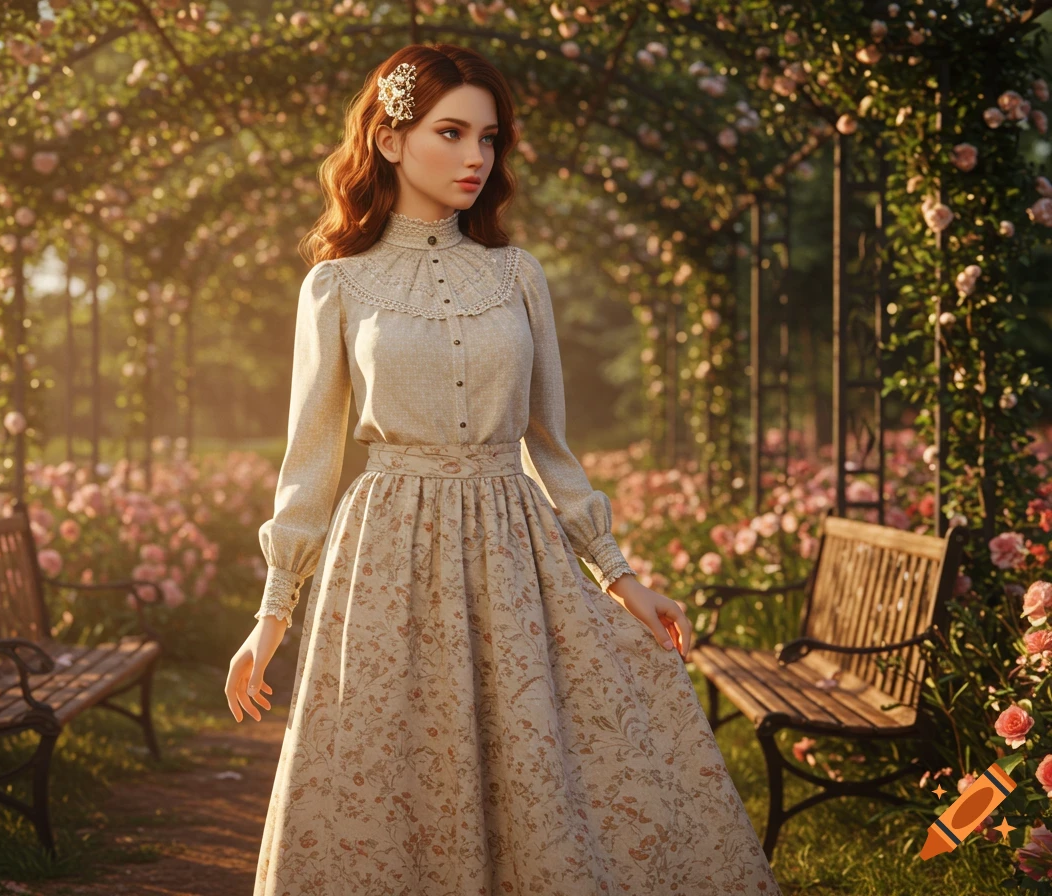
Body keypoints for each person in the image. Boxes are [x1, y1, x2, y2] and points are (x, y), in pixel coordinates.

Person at [227, 42, 783, 895]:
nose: (476, 158)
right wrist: (273, 615)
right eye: (451, 133)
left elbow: (551, 448)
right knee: (392, 772)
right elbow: (309, 461)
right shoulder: (336, 287)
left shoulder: (517, 276)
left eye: (490, 139)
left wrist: (621, 577)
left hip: (510, 548)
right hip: (385, 558)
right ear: (388, 139)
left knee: (541, 765)